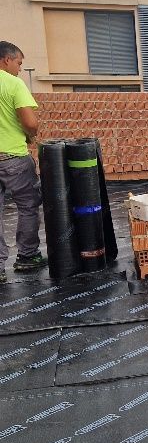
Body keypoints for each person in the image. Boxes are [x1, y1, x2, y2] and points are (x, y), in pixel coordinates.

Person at [0, 41, 47, 283]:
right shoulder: (12, 83)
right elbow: (30, 122)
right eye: (18, 63)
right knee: (28, 205)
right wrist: (31, 135)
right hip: (13, 157)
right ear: (6, 60)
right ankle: (27, 257)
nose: (19, 69)